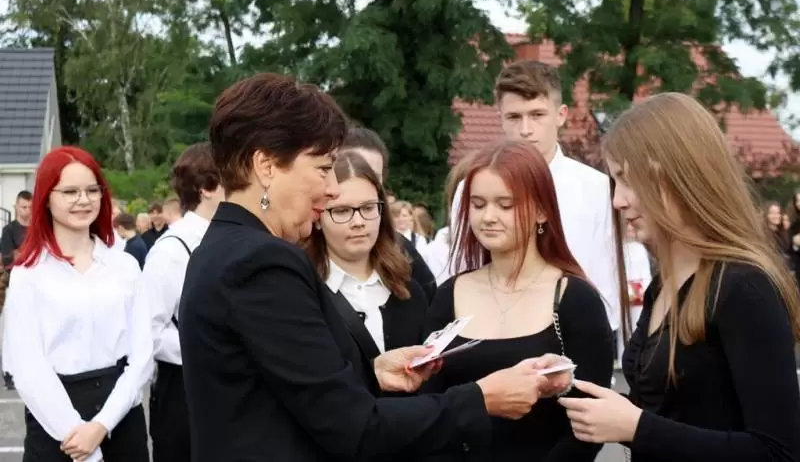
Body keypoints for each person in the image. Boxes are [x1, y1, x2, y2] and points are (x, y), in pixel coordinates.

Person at [178, 73, 573, 462]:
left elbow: (284, 385)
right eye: (322, 168)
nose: (332, 188)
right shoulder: (260, 263)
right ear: (266, 166)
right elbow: (352, 428)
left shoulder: (221, 248)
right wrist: (481, 399)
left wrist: (371, 373)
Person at [559, 93, 800, 462]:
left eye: (627, 180)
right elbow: (673, 414)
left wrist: (637, 428)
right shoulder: (664, 285)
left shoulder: (743, 288)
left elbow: (779, 452)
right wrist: (571, 393)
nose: (618, 201)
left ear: (675, 175)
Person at [422, 140, 613, 461]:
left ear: (541, 210)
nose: (488, 217)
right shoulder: (448, 295)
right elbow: (429, 404)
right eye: (478, 204)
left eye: (505, 205)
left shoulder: (575, 299)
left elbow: (590, 418)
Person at [2, 146, 153, 462]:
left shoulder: (125, 267)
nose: (83, 200)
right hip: (55, 427)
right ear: (47, 198)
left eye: (92, 190)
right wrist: (78, 435)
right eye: (70, 191)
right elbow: (27, 366)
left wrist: (101, 426)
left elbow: (142, 356)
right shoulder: (29, 274)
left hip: (121, 420)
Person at [449, 61, 619, 339]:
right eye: (514, 117)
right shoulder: (470, 189)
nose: (526, 129)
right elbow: (462, 268)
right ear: (500, 118)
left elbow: (608, 277)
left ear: (561, 115)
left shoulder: (596, 189)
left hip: (577, 334)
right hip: (489, 332)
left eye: (537, 115)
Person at [302, 151, 429, 357]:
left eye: (368, 208)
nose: (358, 222)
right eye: (342, 211)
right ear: (317, 218)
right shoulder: (301, 292)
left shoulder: (409, 290)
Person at [143, 143, 224, 462]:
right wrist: (212, 348)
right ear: (206, 188)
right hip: (184, 389)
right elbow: (150, 330)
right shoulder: (171, 250)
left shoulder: (234, 235)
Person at [340, 126, 438, 301]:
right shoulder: (303, 260)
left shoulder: (403, 253)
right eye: (352, 171)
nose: (362, 184)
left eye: (372, 177)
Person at [1, 190, 32, 267]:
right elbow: (7, 260)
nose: (28, 211)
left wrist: (20, 254)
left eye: (31, 207)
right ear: (16, 207)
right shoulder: (8, 230)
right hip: (18, 271)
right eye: (24, 207)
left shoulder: (38, 228)